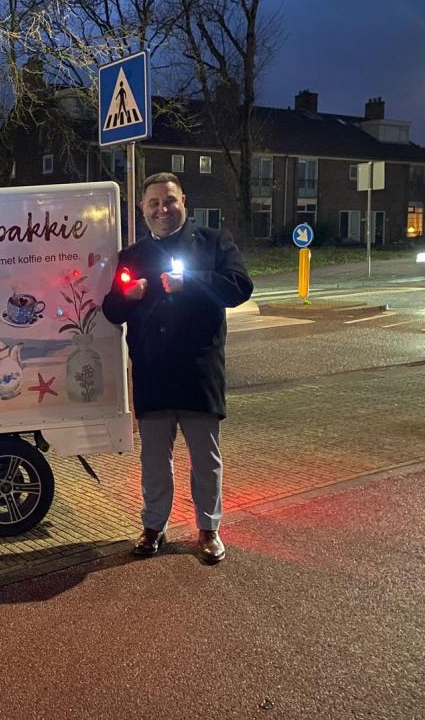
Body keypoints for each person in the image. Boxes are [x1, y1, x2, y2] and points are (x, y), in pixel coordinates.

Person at [102, 172, 253, 564]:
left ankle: (208, 530)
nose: (161, 209)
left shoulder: (214, 242)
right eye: (153, 203)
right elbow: (111, 311)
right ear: (142, 209)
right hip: (152, 373)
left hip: (198, 372)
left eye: (168, 201)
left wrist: (193, 282)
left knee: (205, 457)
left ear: (183, 201)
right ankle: (153, 526)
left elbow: (240, 287)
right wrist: (126, 296)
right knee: (154, 459)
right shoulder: (132, 255)